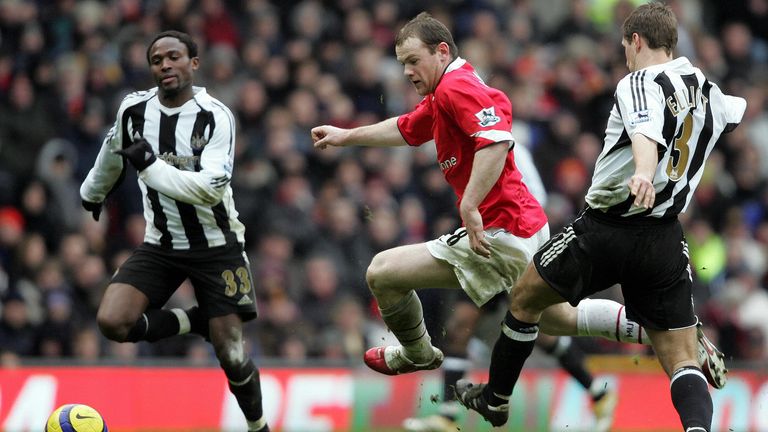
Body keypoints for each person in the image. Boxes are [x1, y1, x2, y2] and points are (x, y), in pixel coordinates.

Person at [454, 3, 746, 431]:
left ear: (638, 41)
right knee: (682, 360)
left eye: (626, 45)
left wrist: (645, 172)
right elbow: (734, 113)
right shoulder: (706, 88)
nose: (626, 54)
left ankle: (496, 398)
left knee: (525, 298)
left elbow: (645, 131)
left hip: (607, 226)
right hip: (665, 236)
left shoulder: (639, 81)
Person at [80, 31, 269, 432]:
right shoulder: (133, 111)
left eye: (173, 57)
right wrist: (92, 192)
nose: (165, 65)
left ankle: (258, 426)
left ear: (193, 63)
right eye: (156, 60)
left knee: (232, 354)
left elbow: (209, 188)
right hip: (162, 243)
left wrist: (151, 167)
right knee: (113, 321)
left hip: (217, 244)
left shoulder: (215, 115)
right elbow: (114, 154)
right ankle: (195, 321)